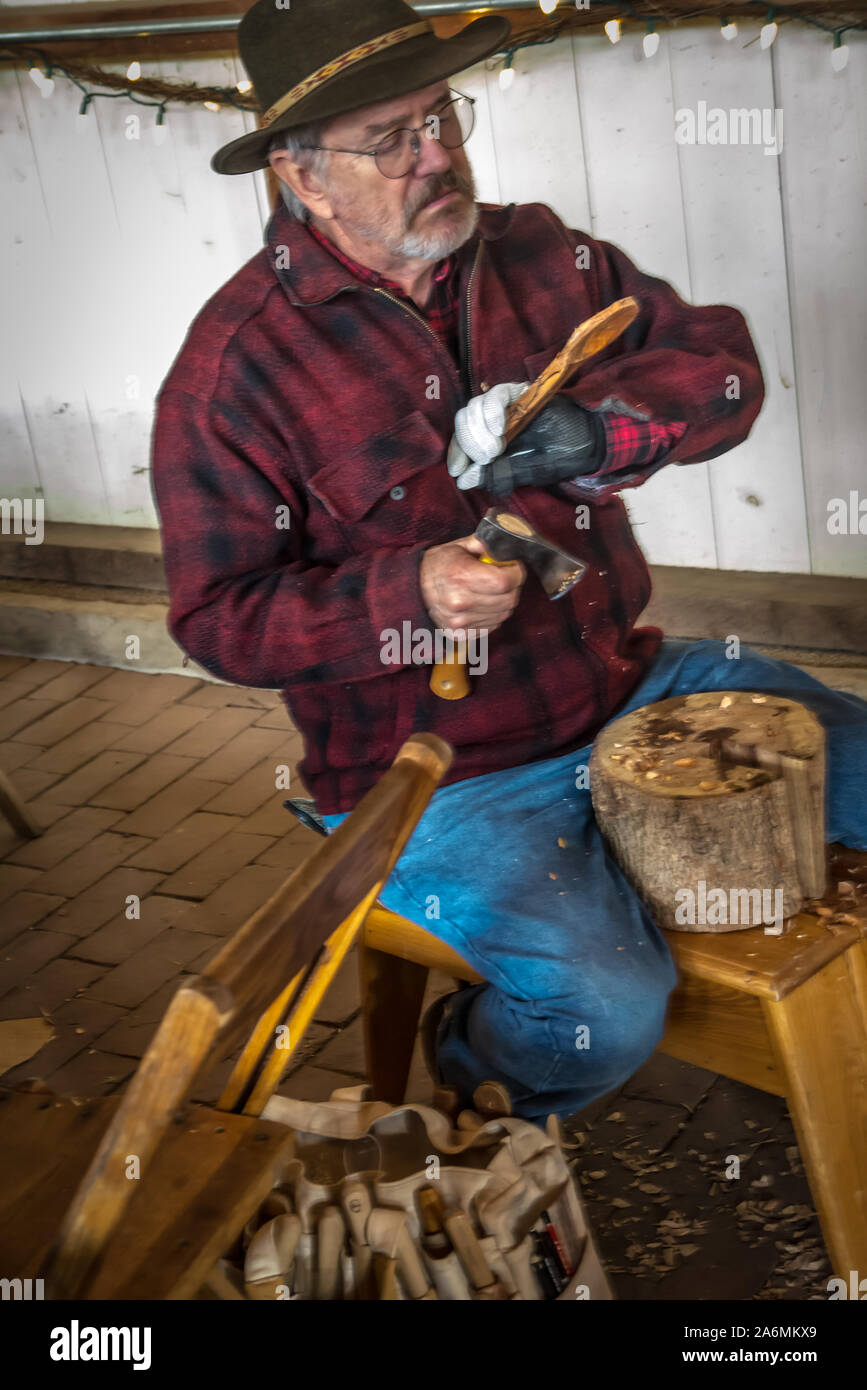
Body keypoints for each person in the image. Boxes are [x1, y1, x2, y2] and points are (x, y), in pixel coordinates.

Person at [151, 0, 867, 1120]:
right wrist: (411, 591)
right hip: (433, 773)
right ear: (302, 176)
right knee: (608, 1005)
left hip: (628, 686)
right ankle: (476, 1075)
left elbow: (720, 363)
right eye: (389, 139)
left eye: (439, 114)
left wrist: (607, 426)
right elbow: (218, 621)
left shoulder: (541, 253)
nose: (437, 154)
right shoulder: (234, 372)